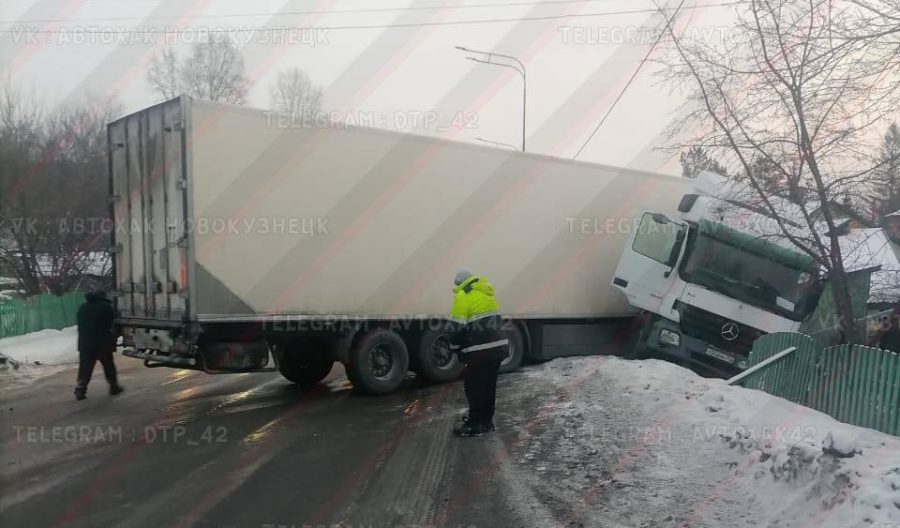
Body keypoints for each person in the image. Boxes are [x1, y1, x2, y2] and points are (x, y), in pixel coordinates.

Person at [448, 268, 509, 437]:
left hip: (480, 352)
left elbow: (456, 328)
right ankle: (487, 421)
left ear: (459, 284)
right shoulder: (487, 294)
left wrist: (453, 348)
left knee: (474, 387)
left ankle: (474, 424)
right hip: (499, 348)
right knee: (489, 387)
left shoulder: (463, 296)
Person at [75, 290, 123, 400]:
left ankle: (80, 388)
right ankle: (113, 386)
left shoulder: (82, 307)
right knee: (108, 365)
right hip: (103, 343)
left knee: (85, 367)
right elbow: (113, 322)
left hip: (85, 343)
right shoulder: (106, 307)